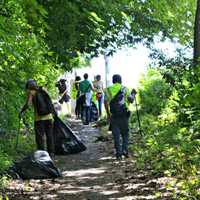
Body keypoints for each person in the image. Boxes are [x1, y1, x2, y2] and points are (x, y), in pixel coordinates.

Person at [19, 79, 56, 158]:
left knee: (40, 137)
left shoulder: (31, 93)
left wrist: (22, 111)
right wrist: (53, 113)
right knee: (49, 135)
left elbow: (28, 104)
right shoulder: (43, 89)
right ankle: (51, 153)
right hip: (49, 117)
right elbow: (50, 101)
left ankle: (42, 154)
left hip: (39, 119)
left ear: (28, 86)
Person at [104, 74, 135, 160]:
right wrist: (133, 94)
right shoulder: (125, 89)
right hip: (124, 114)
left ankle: (118, 153)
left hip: (114, 115)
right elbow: (131, 100)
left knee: (116, 135)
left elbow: (105, 103)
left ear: (113, 81)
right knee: (125, 134)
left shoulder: (108, 90)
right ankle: (124, 150)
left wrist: (108, 114)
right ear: (120, 80)